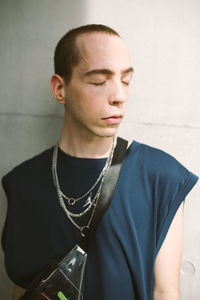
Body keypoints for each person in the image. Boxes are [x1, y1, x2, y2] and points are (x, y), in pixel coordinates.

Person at [1, 24, 198, 300]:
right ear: (60, 89)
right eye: (99, 81)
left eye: (126, 81)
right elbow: (24, 288)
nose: (119, 96)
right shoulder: (23, 183)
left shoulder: (161, 176)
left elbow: (166, 292)